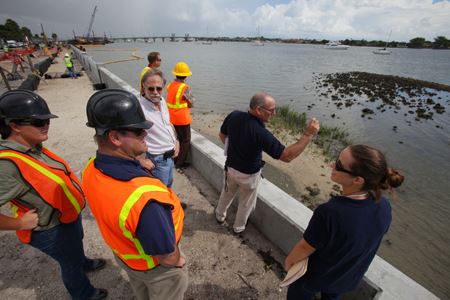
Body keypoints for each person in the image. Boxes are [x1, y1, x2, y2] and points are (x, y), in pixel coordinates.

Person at [0, 90, 107, 300]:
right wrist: (19, 224)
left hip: (66, 217)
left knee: (75, 248)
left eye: (47, 120)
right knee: (70, 264)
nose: (46, 125)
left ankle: (83, 261)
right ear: (14, 125)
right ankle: (84, 294)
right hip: (50, 229)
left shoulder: (32, 147)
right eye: (38, 122)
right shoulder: (5, 165)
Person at [82, 89, 188, 300]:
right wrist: (178, 261)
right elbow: (166, 257)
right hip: (156, 269)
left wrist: (135, 161)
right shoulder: (146, 200)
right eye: (139, 131)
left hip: (126, 256)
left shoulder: (91, 169)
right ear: (115, 137)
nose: (146, 134)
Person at [284, 145, 405, 300]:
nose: (332, 165)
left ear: (357, 180)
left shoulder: (329, 212)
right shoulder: (384, 207)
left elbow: (305, 247)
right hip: (347, 277)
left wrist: (289, 262)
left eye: (339, 165)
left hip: (315, 276)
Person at [215, 92, 320, 234]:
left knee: (226, 193)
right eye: (271, 110)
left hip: (230, 168)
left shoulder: (234, 115)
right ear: (258, 110)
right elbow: (287, 156)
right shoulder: (260, 133)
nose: (274, 113)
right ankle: (238, 228)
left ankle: (219, 216)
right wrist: (308, 134)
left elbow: (222, 135)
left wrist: (235, 150)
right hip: (248, 176)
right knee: (246, 203)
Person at [138, 69, 179, 188]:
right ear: (143, 87)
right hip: (157, 160)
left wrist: (176, 141)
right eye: (151, 88)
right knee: (160, 191)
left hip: (170, 156)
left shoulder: (162, 101)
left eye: (159, 88)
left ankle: (171, 204)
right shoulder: (139, 109)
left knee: (169, 185)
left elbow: (168, 124)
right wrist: (140, 160)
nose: (155, 92)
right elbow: (127, 138)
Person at [166, 61, 195, 170]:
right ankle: (179, 164)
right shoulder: (185, 87)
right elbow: (191, 102)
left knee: (176, 139)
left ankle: (174, 159)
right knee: (186, 140)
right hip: (182, 118)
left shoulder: (170, 85)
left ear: (175, 74)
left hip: (171, 117)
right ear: (186, 75)